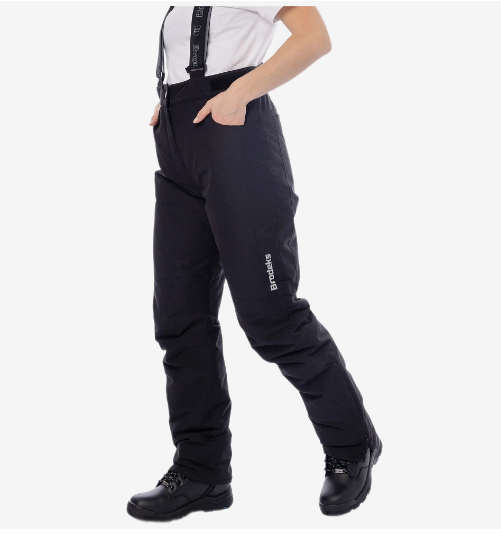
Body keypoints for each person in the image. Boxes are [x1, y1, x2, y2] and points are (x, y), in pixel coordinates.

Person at [127, 5, 382, 522]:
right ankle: (201, 472)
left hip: (236, 139)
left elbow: (314, 38)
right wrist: (169, 104)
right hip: (178, 145)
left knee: (272, 316)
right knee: (179, 319)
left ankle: (351, 446)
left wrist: (239, 92)